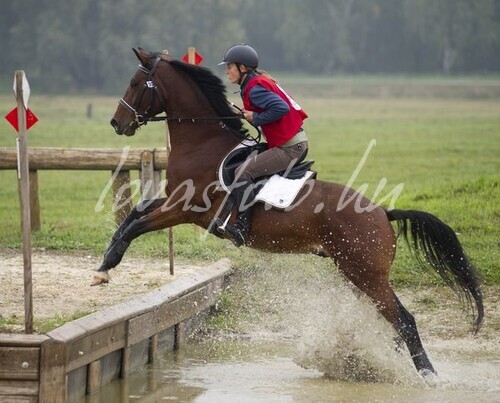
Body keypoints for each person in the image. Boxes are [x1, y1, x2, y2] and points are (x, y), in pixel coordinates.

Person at [218, 44, 309, 247]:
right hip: (290, 143)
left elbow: (281, 108)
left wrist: (256, 117)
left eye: (230, 67)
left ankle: (242, 228)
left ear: (242, 68)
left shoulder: (255, 88)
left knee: (243, 172)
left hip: (290, 148)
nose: (227, 71)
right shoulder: (255, 82)